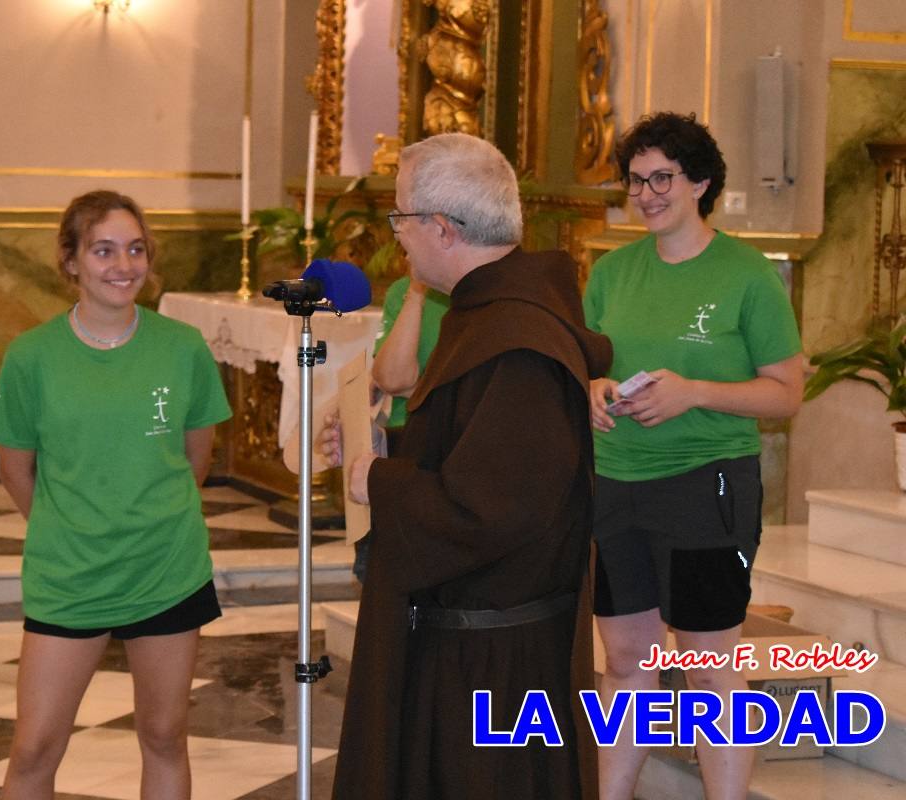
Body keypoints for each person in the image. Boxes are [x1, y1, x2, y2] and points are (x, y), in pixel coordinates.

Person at [326, 132, 612, 800]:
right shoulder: (488, 314)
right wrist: (388, 455)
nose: (397, 236)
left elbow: (496, 509)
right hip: (476, 644)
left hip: (494, 665)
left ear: (443, 229)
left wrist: (379, 481)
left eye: (401, 217)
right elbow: (476, 451)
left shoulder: (516, 341)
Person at [0, 190, 232, 800]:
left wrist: (155, 514)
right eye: (103, 250)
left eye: (135, 248)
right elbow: (15, 468)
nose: (124, 264)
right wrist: (66, 527)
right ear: (70, 261)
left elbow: (197, 454)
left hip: (166, 566)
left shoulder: (182, 347)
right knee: (36, 745)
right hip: (69, 574)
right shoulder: (31, 356)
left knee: (165, 735)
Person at [584, 112, 803, 800]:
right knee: (624, 660)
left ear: (700, 183)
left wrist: (693, 392)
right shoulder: (611, 272)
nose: (646, 193)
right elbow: (586, 363)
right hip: (615, 485)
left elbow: (787, 394)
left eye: (662, 178)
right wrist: (592, 388)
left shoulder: (745, 275)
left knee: (708, 667)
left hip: (706, 488)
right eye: (636, 180)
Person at [371, 273, 449, 455]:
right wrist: (416, 293)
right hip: (403, 434)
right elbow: (391, 379)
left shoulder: (479, 292)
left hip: (460, 437)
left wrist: (413, 390)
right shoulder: (402, 290)